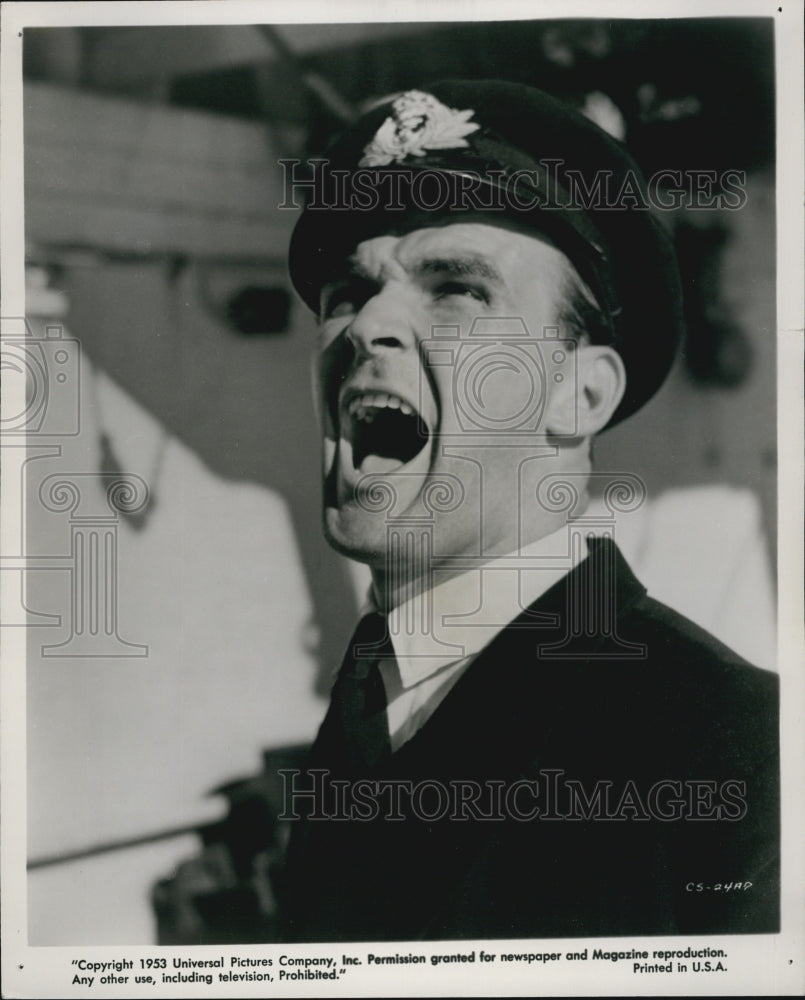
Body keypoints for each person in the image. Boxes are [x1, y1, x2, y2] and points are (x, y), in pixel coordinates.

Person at [276, 80, 779, 942]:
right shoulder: (375, 689)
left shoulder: (742, 751)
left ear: (578, 394)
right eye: (348, 294)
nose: (366, 328)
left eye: (456, 289)